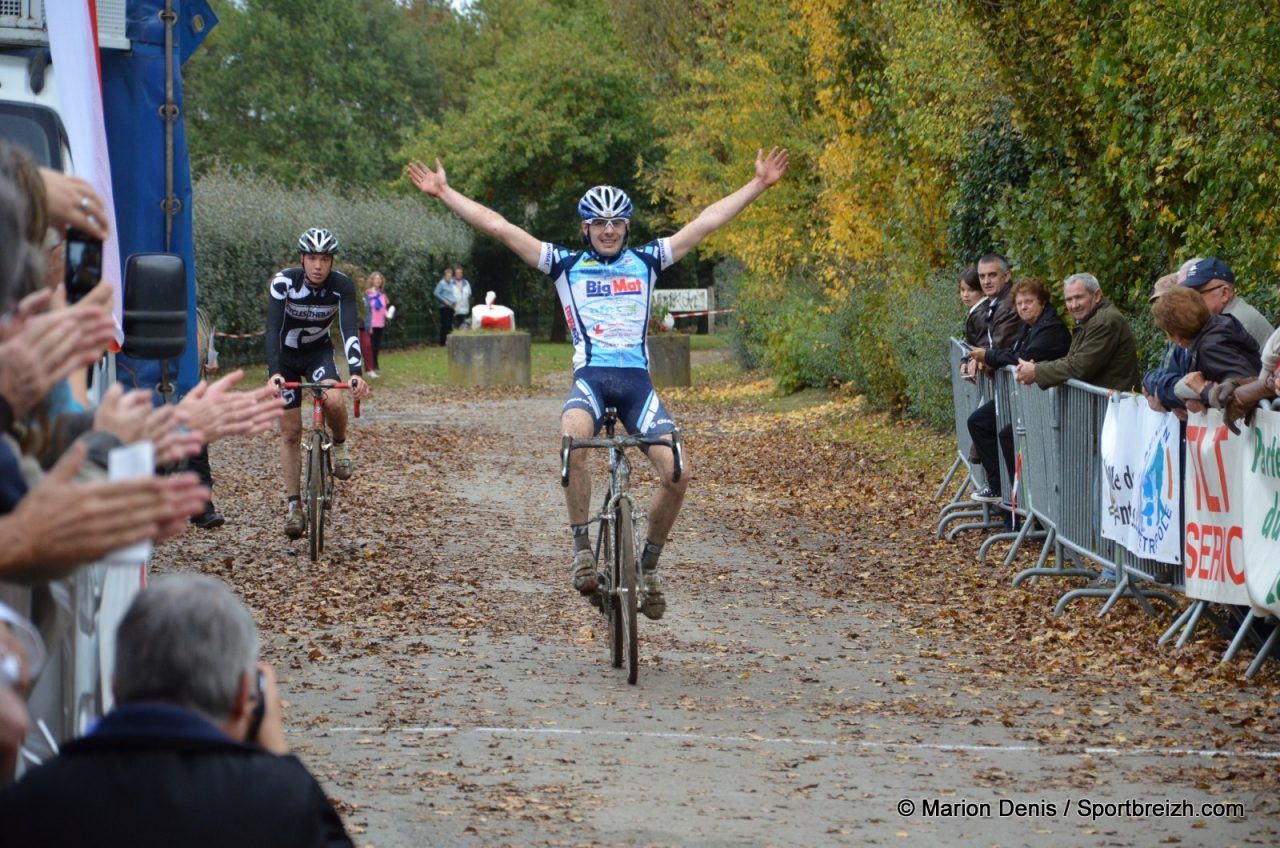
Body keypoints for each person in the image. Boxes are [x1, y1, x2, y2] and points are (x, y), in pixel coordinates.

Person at [408, 146, 789, 620]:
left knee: (678, 473)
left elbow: (707, 222)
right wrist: (445, 192)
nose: (609, 230)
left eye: (617, 222)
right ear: (585, 228)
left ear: (627, 227)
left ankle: (649, 565)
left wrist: (758, 184)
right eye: (599, 223)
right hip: (590, 380)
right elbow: (500, 227)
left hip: (637, 385)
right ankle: (582, 549)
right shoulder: (565, 264)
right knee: (573, 437)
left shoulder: (649, 260)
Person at [0, 574, 355, 847]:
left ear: (116, 688)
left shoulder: (38, 800)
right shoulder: (280, 801)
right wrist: (279, 752)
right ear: (245, 695)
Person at [264, 228, 370, 540]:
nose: (318, 265)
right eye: (312, 258)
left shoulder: (342, 286)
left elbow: (348, 328)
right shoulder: (284, 283)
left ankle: (339, 444)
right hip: (285, 359)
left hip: (318, 354)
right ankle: (295, 506)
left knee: (335, 400)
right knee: (291, 432)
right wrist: (274, 372)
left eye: (324, 259)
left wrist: (355, 371)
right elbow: (272, 329)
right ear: (302, 259)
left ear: (331, 261)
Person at [965, 277, 1071, 503]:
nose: (1023, 307)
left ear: (1042, 303)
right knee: (979, 422)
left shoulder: (1051, 329)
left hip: (1044, 400)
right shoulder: (1029, 327)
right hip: (1025, 396)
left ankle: (1020, 500)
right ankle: (999, 487)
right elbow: (1012, 353)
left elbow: (1023, 357)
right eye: (1020, 303)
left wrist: (990, 356)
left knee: (1006, 435)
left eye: (1029, 302)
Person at [1015, 272, 1141, 392]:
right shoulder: (1090, 319)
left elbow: (1079, 367)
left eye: (1079, 297)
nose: (1074, 305)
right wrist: (1036, 369)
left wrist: (1036, 371)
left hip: (1114, 408)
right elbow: (1073, 361)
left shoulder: (1103, 321)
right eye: (1069, 300)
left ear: (1097, 295)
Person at [1151, 284, 1261, 411]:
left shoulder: (1211, 348)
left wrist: (1203, 390)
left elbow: (1245, 388)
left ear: (1176, 336)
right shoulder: (1220, 324)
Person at [1179, 257, 1273, 350]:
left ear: (1224, 293)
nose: (1192, 300)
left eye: (1198, 294)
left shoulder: (1232, 326)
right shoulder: (1230, 316)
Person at [1142, 273, 1194, 414]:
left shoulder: (1188, 336)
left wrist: (1163, 394)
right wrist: (1152, 384)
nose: (1162, 308)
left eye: (1166, 300)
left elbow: (1179, 383)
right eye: (1157, 302)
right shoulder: (1173, 337)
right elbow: (1161, 376)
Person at [957, 264, 986, 383]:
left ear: (982, 290)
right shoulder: (975, 312)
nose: (965, 295)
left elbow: (983, 345)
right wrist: (966, 360)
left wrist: (970, 360)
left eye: (971, 290)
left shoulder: (981, 313)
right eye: (962, 290)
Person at [364, 271, 391, 378]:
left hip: (380, 324)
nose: (377, 281)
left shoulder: (383, 293)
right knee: (370, 347)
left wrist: (388, 315)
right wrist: (368, 324)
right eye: (375, 279)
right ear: (372, 280)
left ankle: (375, 366)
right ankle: (371, 368)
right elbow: (366, 309)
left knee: (377, 346)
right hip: (371, 324)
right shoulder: (368, 293)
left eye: (379, 279)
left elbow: (384, 308)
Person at [433, 267, 454, 345]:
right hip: (444, 307)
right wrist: (444, 300)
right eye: (448, 276)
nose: (449, 277)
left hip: (451, 307)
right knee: (444, 324)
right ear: (444, 276)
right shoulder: (441, 283)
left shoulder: (452, 283)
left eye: (450, 276)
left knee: (450, 325)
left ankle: (449, 341)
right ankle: (442, 342)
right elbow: (436, 293)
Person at [451, 265, 472, 330]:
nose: (459, 274)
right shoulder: (451, 283)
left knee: (463, 328)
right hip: (454, 310)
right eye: (457, 273)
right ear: (455, 274)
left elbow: (469, 293)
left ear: (462, 274)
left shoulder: (466, 283)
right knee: (454, 328)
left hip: (464, 310)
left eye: (460, 273)